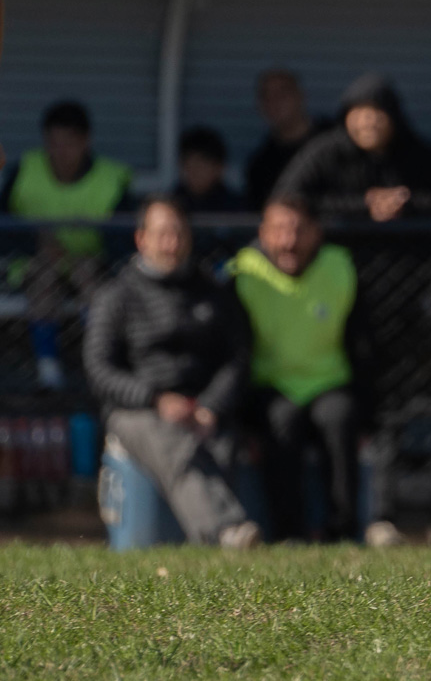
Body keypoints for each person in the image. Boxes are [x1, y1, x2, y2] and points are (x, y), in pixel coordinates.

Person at [81, 195, 260, 548]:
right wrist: (156, 399)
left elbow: (237, 357)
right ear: (141, 239)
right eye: (162, 234)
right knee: (175, 442)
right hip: (137, 412)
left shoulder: (213, 293)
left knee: (224, 446)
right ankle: (226, 530)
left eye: (179, 233)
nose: (172, 244)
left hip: (202, 407)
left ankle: (218, 540)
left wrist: (211, 406)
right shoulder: (116, 296)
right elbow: (99, 369)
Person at [229, 195, 373, 542]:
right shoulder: (242, 274)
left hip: (328, 382)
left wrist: (369, 414)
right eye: (279, 230)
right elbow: (232, 354)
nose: (289, 241)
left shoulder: (340, 268)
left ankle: (343, 532)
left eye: (298, 230)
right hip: (270, 387)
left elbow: (364, 346)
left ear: (316, 233)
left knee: (340, 418)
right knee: (282, 422)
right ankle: (289, 535)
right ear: (263, 234)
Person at [2, 100, 133, 389]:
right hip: (33, 265)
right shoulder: (24, 170)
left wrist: (85, 252)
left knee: (91, 280)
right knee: (44, 275)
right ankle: (48, 369)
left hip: (91, 265)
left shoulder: (111, 178)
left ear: (86, 141)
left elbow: (124, 240)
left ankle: (97, 365)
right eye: (54, 143)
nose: (61, 152)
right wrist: (33, 241)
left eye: (69, 143)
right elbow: (3, 224)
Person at [273, 74, 431, 221]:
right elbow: (288, 197)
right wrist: (365, 204)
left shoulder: (415, 153)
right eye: (360, 113)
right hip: (336, 257)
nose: (369, 123)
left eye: (378, 113)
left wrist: (404, 202)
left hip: (409, 261)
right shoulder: (325, 152)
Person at [244, 70, 331, 211]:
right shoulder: (260, 164)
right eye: (266, 96)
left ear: (300, 96)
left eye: (282, 94)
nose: (274, 102)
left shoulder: (333, 141)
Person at [172, 126, 246, 214]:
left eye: (200, 166)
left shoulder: (236, 207)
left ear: (219, 167)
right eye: (189, 165)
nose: (194, 172)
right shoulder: (173, 204)